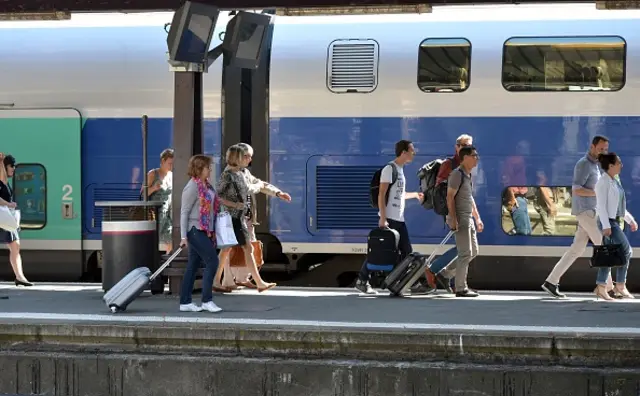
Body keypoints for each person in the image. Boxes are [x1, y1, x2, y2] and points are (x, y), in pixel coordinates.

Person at [542, 136, 611, 298]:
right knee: (603, 246)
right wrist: (597, 193)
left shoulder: (595, 165)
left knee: (577, 249)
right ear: (592, 147)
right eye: (601, 148)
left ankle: (551, 281)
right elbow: (576, 189)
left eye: (605, 149)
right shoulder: (583, 164)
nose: (603, 152)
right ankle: (608, 286)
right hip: (585, 211)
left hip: (590, 211)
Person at [216, 143, 291, 291]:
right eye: (247, 156)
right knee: (241, 249)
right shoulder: (229, 175)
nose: (250, 159)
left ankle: (223, 281)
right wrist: (234, 204)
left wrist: (277, 192)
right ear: (238, 157)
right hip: (231, 218)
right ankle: (256, 282)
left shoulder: (243, 173)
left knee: (229, 250)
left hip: (240, 217)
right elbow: (244, 189)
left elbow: (259, 184)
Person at [354, 140, 424, 295]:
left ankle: (403, 283)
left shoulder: (400, 170)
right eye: (412, 150)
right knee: (386, 250)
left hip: (399, 218)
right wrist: (382, 217)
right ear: (404, 152)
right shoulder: (389, 169)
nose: (414, 153)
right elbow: (382, 194)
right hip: (390, 218)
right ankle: (363, 280)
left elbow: (398, 195)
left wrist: (415, 195)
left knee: (405, 252)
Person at [179, 154, 236, 313]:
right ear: (199, 168)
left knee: (193, 265)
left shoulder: (206, 185)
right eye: (207, 167)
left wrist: (234, 206)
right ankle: (206, 300)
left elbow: (215, 204)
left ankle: (185, 302)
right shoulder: (192, 187)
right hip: (195, 230)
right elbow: (184, 212)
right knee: (212, 261)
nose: (210, 169)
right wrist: (183, 236)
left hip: (205, 230)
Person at [426, 134, 476, 293]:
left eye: (469, 146)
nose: (466, 148)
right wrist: (451, 216)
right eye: (463, 145)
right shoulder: (451, 166)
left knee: (468, 250)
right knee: (464, 250)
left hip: (465, 212)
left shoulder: (467, 169)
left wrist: (477, 216)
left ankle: (445, 274)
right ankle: (453, 281)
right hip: (454, 212)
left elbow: (468, 195)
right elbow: (444, 193)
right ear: (457, 147)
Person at [593, 153, 637, 300]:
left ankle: (601, 287)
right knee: (627, 251)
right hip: (607, 222)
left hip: (613, 221)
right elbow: (601, 206)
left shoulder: (614, 181)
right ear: (611, 166)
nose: (621, 165)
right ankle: (620, 285)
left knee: (609, 255)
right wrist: (606, 225)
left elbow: (618, 206)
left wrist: (630, 220)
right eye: (619, 163)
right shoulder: (602, 182)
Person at [445, 146, 482, 297]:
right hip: (460, 218)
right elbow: (450, 197)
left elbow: (469, 198)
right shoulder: (457, 174)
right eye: (474, 155)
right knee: (465, 253)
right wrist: (453, 219)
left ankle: (444, 273)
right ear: (465, 157)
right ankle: (461, 288)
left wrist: (477, 217)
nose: (476, 158)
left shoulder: (468, 175)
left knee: (473, 252)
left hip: (468, 218)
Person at [0, 154, 32, 287]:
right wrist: (9, 204)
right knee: (15, 246)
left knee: (15, 246)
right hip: (3, 218)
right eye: (11, 166)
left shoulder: (4, 182)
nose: (13, 168)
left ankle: (20, 276)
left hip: (5, 219)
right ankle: (19, 276)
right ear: (4, 167)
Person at [144, 148, 174, 255]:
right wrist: (153, 188)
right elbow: (142, 194)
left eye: (173, 164)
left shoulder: (171, 176)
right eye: (169, 163)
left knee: (171, 240)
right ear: (162, 161)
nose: (171, 166)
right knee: (153, 241)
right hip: (155, 214)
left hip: (167, 215)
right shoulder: (153, 174)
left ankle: (168, 263)